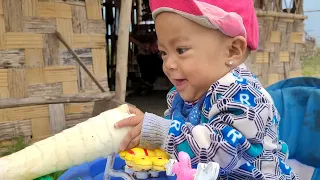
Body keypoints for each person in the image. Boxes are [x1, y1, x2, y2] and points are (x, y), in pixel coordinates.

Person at [115, 0, 298, 179]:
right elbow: (180, 142)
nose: (168, 65)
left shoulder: (246, 96)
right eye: (163, 52)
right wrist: (145, 129)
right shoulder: (183, 95)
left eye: (181, 50)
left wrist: (162, 132)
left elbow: (222, 153)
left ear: (232, 51)